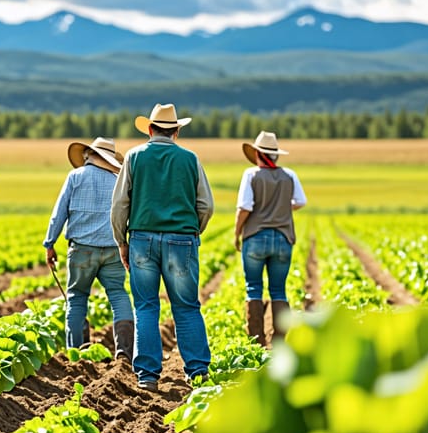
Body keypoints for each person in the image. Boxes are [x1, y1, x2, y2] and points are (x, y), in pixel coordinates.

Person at [111, 103, 215, 392]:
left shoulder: (133, 157)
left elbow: (120, 205)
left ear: (149, 129)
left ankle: (147, 376)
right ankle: (197, 372)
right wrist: (193, 232)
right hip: (182, 240)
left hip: (142, 240)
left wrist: (122, 241)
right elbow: (206, 205)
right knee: (186, 307)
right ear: (177, 131)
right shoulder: (190, 159)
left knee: (145, 306)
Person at [43, 137, 134, 359]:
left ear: (89, 155)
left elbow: (59, 213)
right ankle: (124, 352)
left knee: (76, 297)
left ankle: (75, 353)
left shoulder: (75, 177)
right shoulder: (117, 181)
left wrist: (49, 243)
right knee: (118, 294)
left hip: (81, 249)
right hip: (113, 248)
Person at [233, 131, 307, 349]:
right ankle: (279, 342)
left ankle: (257, 342)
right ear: (275, 155)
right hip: (283, 238)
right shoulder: (290, 175)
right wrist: (283, 209)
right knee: (279, 290)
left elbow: (244, 208)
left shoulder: (251, 175)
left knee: (253, 288)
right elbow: (301, 201)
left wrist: (237, 233)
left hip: (255, 238)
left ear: (257, 153)